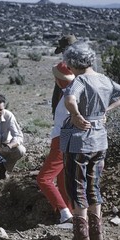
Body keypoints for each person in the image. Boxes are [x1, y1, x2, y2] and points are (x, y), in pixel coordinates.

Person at [59, 42, 120, 240]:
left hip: (79, 142)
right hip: (100, 140)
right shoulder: (104, 79)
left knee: (76, 186)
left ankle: (81, 237)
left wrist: (76, 115)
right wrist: (106, 110)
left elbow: (70, 99)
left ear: (72, 63)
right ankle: (96, 233)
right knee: (94, 185)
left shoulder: (79, 81)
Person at [36, 35, 77, 224]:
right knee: (62, 177)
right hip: (70, 133)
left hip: (63, 134)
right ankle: (68, 210)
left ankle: (64, 214)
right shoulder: (81, 85)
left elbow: (58, 70)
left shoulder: (70, 85)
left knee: (44, 179)